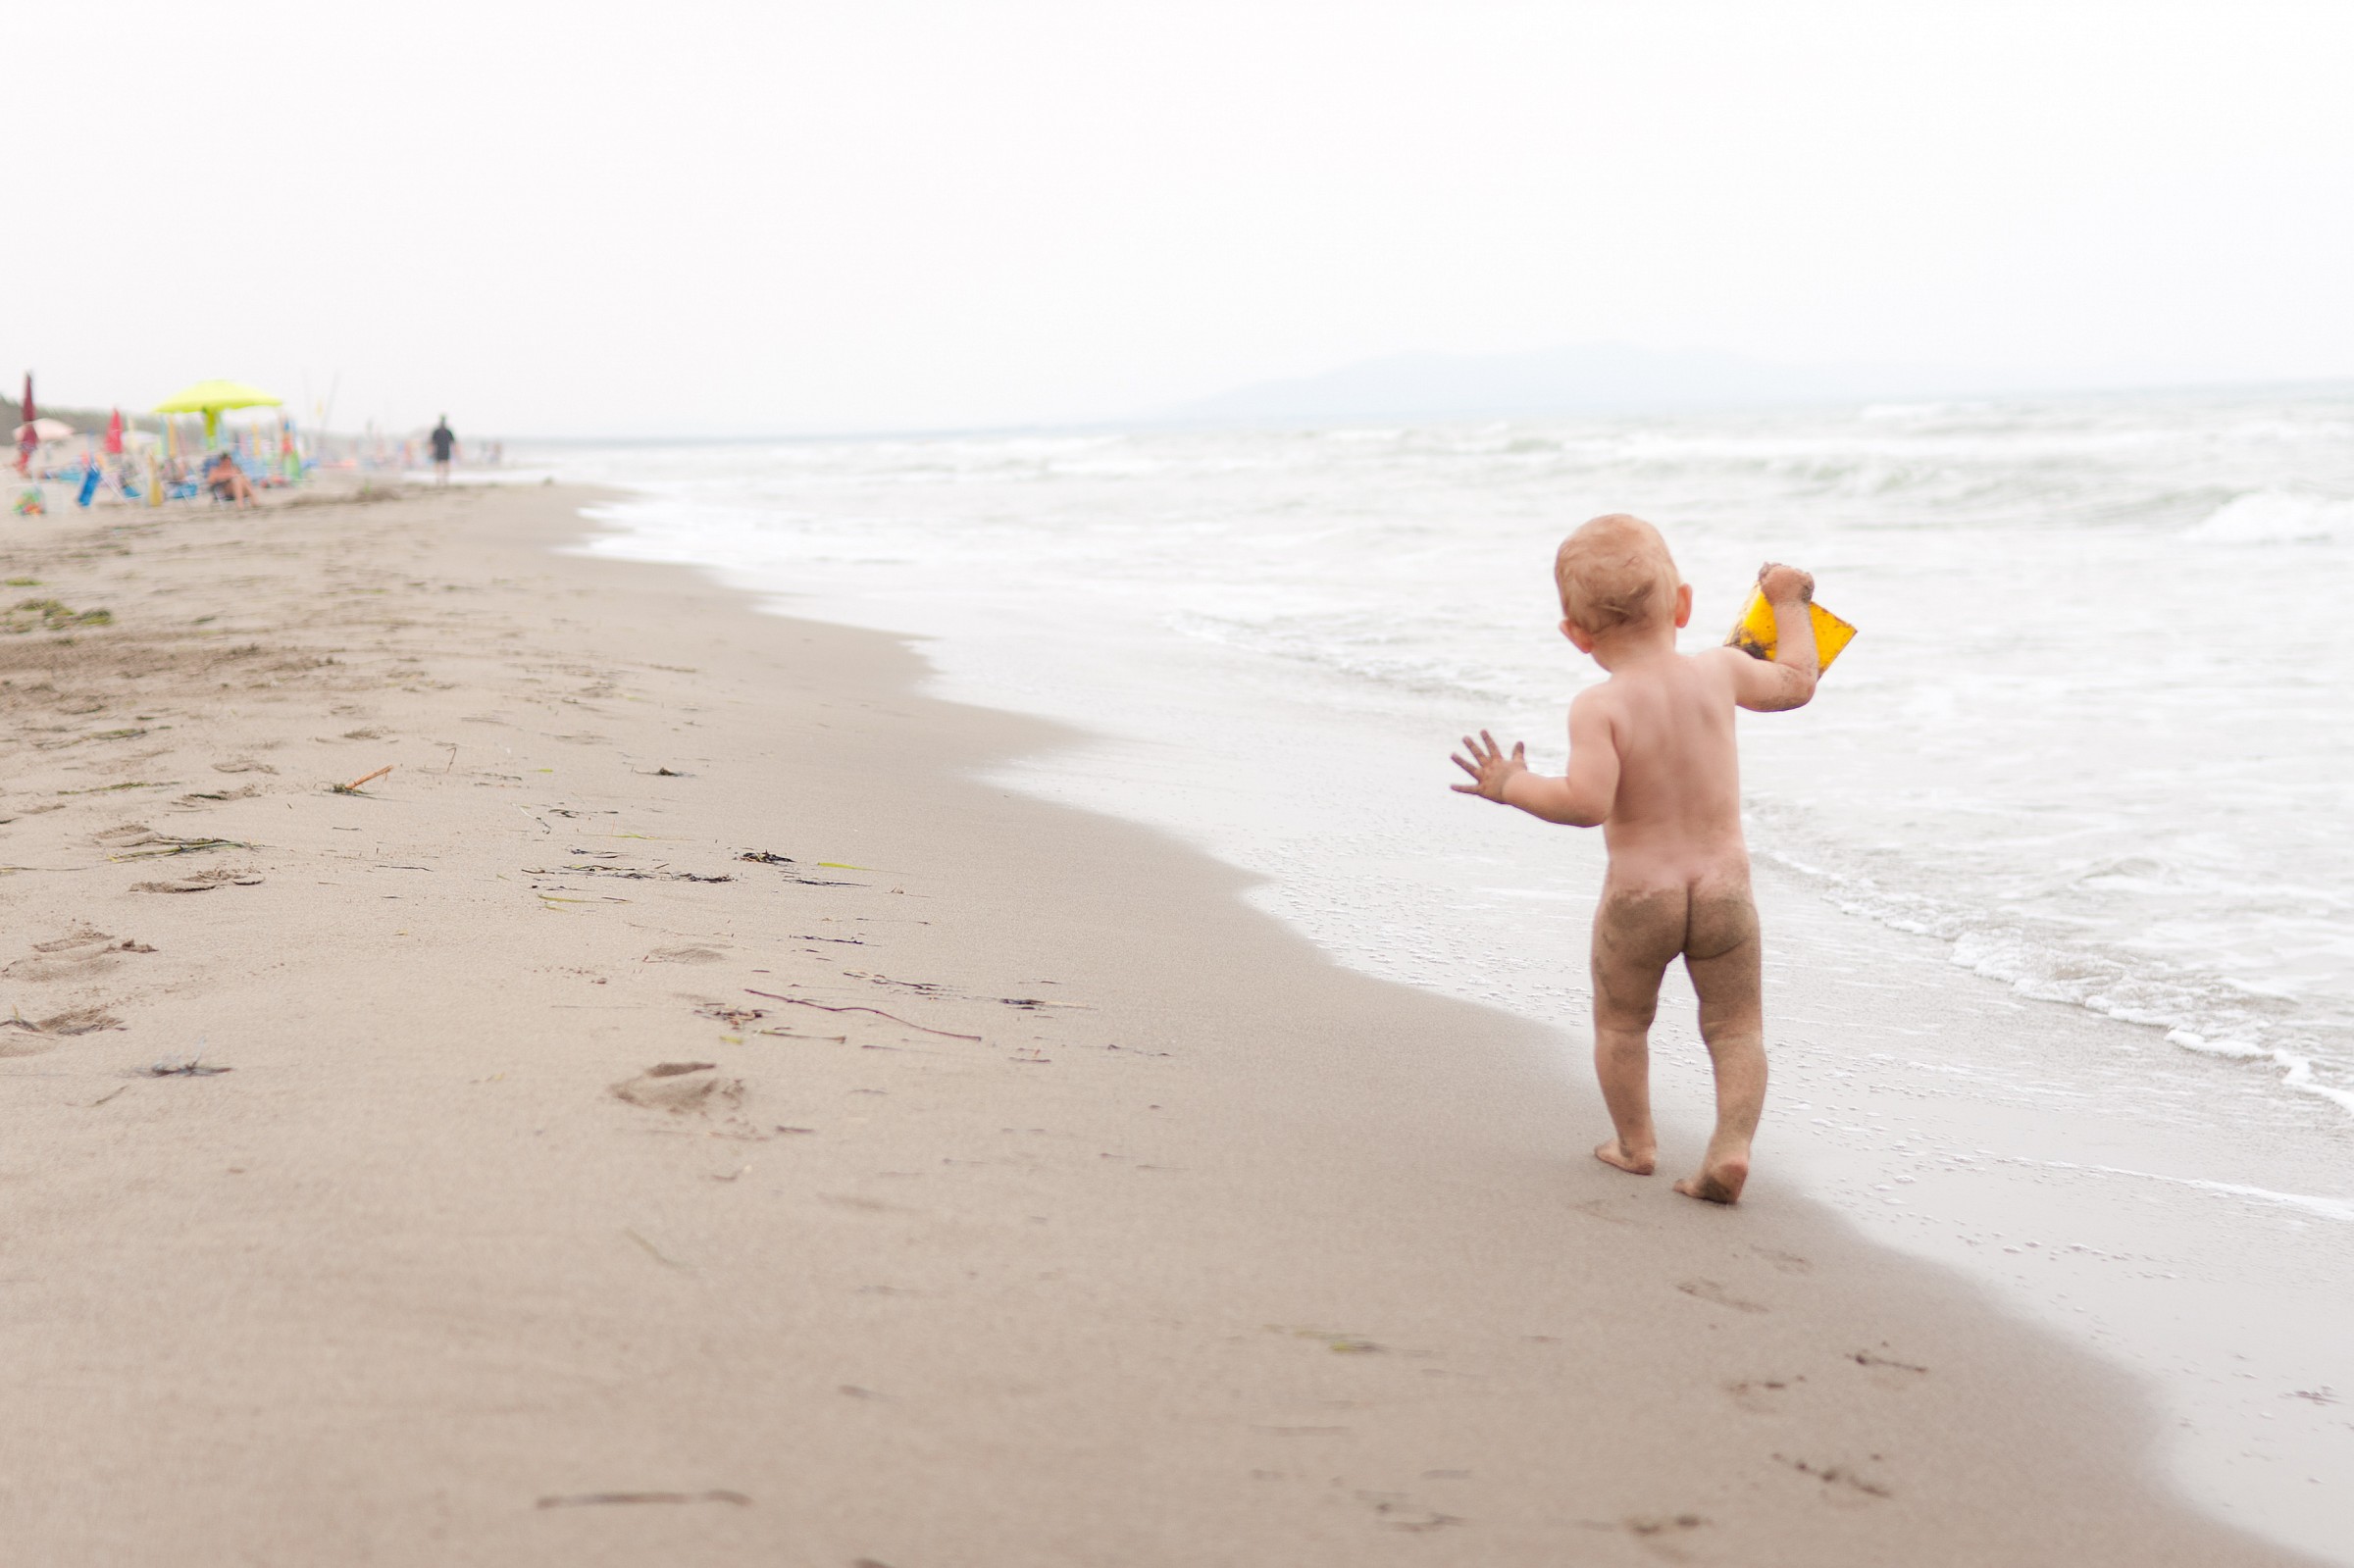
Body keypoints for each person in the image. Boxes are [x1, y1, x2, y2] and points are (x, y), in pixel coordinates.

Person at [1449, 515, 1818, 1204]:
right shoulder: (1720, 671)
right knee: (1737, 1027)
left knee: (1622, 1024)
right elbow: (1798, 680)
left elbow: (1586, 802)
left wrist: (1511, 785)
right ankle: (1730, 1148)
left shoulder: (1600, 707)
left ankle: (1635, 1143)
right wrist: (1787, 601)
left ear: (1576, 635)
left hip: (1642, 897)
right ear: (1684, 604)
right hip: (1724, 891)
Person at [429, 416, 456, 484]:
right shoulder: (440, 431)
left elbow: (453, 442)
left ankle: (443, 478)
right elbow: (432, 443)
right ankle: (441, 478)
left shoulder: (446, 431)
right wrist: (431, 451)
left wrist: (431, 451)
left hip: (443, 450)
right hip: (441, 450)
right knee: (441, 464)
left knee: (443, 464)